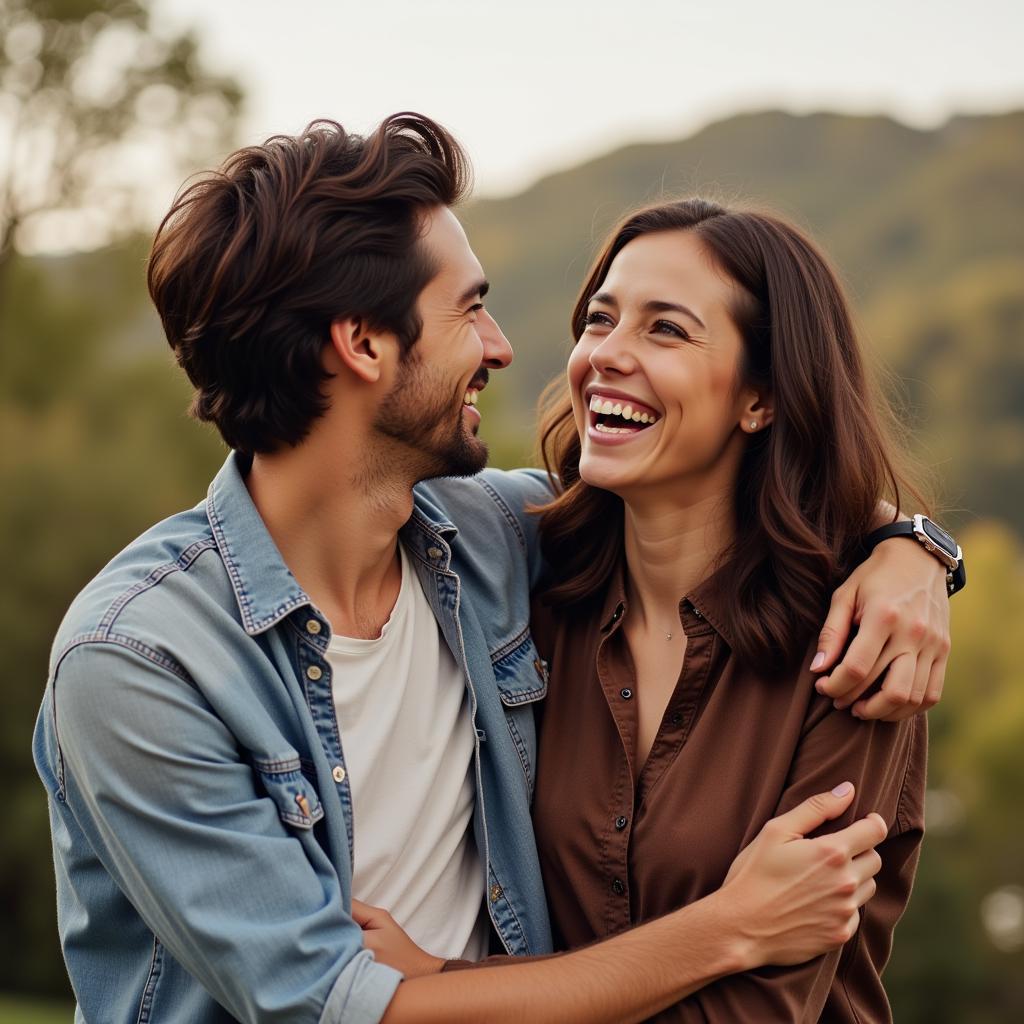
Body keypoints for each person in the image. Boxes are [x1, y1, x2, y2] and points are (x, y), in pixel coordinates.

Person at [32, 116, 955, 1023]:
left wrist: (908, 546)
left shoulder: (490, 540)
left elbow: (732, 491)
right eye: (470, 308)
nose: (509, 348)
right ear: (362, 344)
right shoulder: (140, 659)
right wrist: (729, 928)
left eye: (665, 328)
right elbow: (328, 1009)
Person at [361, 198, 953, 1021]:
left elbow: (753, 1012)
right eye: (600, 320)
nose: (607, 355)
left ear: (763, 397)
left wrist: (433, 994)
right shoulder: (520, 582)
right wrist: (920, 543)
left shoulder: (854, 644)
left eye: (666, 330)